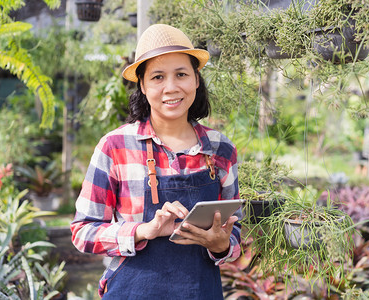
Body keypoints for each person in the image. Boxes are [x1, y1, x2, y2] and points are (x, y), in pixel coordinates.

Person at [70, 24, 241, 299]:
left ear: (196, 79)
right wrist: (143, 230)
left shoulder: (221, 149)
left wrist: (221, 245)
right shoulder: (114, 147)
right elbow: (83, 231)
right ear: (143, 85)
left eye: (181, 74)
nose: (171, 87)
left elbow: (235, 234)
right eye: (158, 77)